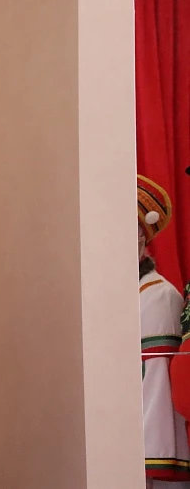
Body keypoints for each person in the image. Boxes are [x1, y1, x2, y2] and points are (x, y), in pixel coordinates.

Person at [136, 175, 190, 488]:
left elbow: (156, 385)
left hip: (145, 457)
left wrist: (148, 456)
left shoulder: (158, 296)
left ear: (142, 239)